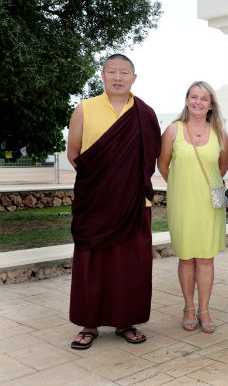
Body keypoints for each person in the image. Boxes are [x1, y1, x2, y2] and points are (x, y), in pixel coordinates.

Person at [67, 54, 161, 349]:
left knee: (130, 266)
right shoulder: (84, 109)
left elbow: (152, 157)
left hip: (133, 205)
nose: (118, 77)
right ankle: (89, 324)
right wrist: (101, 185)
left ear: (134, 78)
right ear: (103, 76)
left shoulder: (145, 114)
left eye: (124, 72)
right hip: (96, 204)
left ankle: (126, 322)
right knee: (92, 265)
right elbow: (75, 154)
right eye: (112, 71)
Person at [157, 81, 228, 333]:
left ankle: (204, 309)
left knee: (206, 259)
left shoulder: (220, 135)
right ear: (187, 100)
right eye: (194, 97)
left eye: (204, 99)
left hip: (210, 205)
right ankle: (188, 307)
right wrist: (182, 186)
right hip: (183, 203)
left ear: (211, 105)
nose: (198, 102)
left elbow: (221, 169)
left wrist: (200, 186)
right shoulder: (172, 131)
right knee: (187, 257)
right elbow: (163, 166)